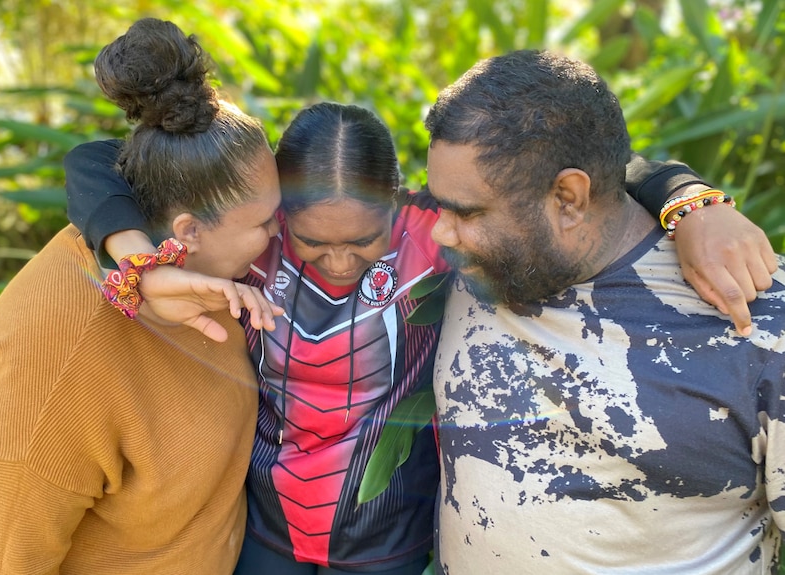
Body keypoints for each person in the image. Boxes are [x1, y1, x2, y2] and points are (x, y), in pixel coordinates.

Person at [64, 95, 773, 575]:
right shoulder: (256, 236)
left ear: (402, 200)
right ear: (279, 210)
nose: (338, 261)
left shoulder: (434, 235)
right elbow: (95, 160)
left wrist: (693, 203)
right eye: (313, 242)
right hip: (264, 533)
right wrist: (137, 259)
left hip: (389, 541)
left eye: (363, 241)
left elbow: (604, 175)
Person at [0, 18, 282, 574]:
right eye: (266, 220)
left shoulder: (196, 257)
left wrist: (137, 265)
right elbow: (2, 561)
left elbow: (96, 156)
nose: (279, 232)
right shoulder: (59, 363)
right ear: (189, 230)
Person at [424, 49, 784, 574]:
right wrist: (682, 192)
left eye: (468, 212)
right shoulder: (477, 265)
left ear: (569, 198)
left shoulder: (756, 319)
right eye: (442, 205)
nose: (440, 232)